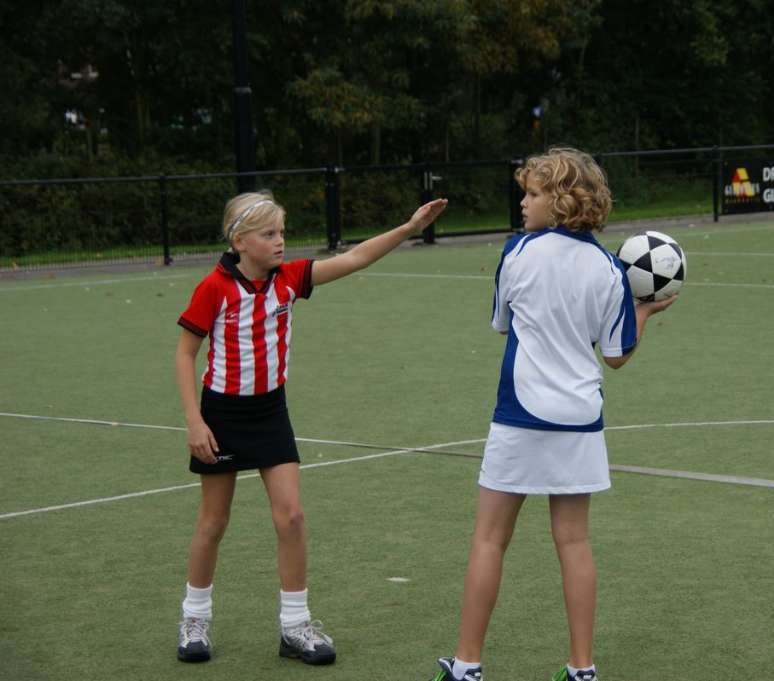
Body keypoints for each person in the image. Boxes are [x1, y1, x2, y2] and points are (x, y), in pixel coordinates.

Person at [425, 148, 676, 681]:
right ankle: (582, 669)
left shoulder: (517, 253)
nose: (523, 202)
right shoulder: (610, 268)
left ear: (561, 201)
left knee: (490, 539)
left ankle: (467, 666)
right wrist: (645, 311)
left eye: (533, 193)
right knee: (575, 543)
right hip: (580, 420)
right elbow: (615, 355)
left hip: (519, 415)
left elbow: (501, 324)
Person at [175, 190, 447, 664]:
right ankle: (194, 619)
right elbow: (184, 354)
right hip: (221, 414)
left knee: (292, 517)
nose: (280, 242)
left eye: (281, 232)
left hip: (270, 412)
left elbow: (357, 257)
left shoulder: (291, 279)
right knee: (214, 521)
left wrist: (407, 229)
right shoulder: (214, 288)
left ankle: (295, 627)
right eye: (269, 234)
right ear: (240, 240)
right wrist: (195, 422)